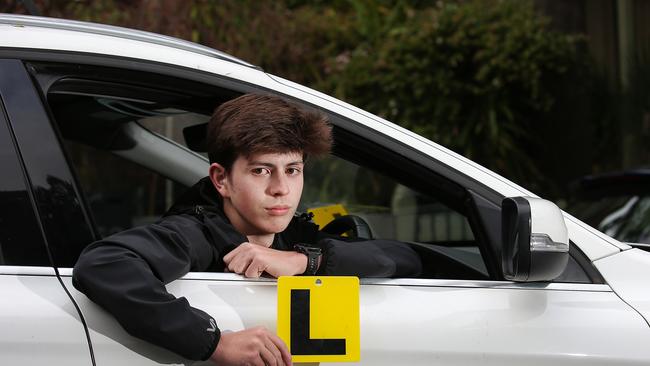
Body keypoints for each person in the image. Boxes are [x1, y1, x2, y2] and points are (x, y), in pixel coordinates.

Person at [73, 94, 422, 366]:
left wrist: (304, 262)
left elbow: (405, 258)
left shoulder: (296, 235)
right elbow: (104, 263)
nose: (281, 189)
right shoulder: (198, 232)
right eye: (261, 171)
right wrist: (214, 342)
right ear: (221, 179)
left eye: (293, 170)